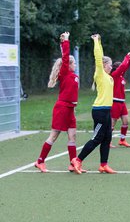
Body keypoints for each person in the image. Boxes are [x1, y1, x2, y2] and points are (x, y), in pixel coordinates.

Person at [34, 32, 83, 173]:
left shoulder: (74, 75)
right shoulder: (65, 73)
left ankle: (73, 164)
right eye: (74, 63)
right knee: (54, 136)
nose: (75, 64)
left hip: (70, 109)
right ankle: (40, 161)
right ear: (68, 65)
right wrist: (66, 41)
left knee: (72, 136)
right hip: (61, 108)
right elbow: (65, 57)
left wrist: (62, 42)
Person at [71, 34, 116, 174]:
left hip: (107, 110)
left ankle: (103, 164)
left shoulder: (109, 77)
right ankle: (77, 160)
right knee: (97, 138)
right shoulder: (100, 73)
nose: (111, 66)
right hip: (100, 111)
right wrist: (96, 41)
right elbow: (98, 56)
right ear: (104, 65)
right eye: (109, 64)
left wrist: (100, 40)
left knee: (107, 137)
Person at [109, 52, 130, 148]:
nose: (123, 69)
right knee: (112, 123)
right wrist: (126, 56)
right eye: (120, 68)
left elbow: (126, 66)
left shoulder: (121, 76)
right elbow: (123, 66)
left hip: (122, 102)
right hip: (115, 102)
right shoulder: (114, 75)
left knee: (125, 121)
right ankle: (108, 141)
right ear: (117, 68)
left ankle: (122, 140)